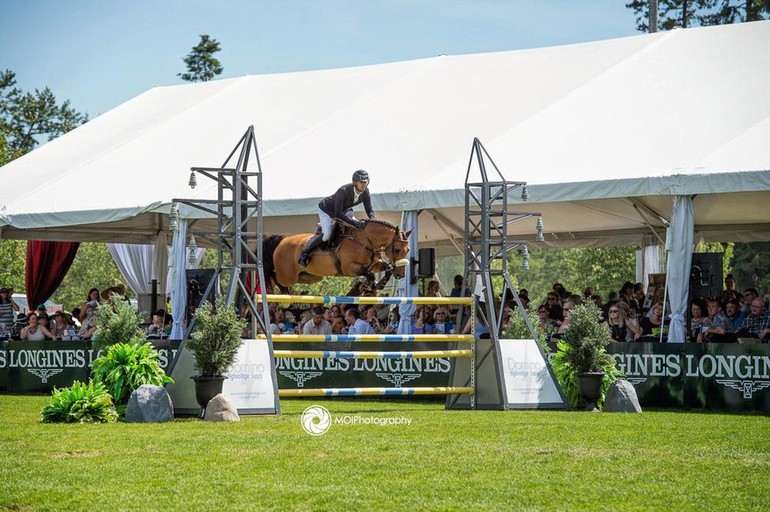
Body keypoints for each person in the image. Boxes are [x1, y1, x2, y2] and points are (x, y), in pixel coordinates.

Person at [298, 169, 375, 267]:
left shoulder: (365, 192)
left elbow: (369, 209)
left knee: (358, 229)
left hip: (345, 210)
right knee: (326, 235)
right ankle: (305, 253)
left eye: (365, 182)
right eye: (361, 182)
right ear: (355, 182)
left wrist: (372, 221)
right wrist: (355, 223)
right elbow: (338, 214)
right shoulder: (343, 191)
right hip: (327, 210)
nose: (364, 185)